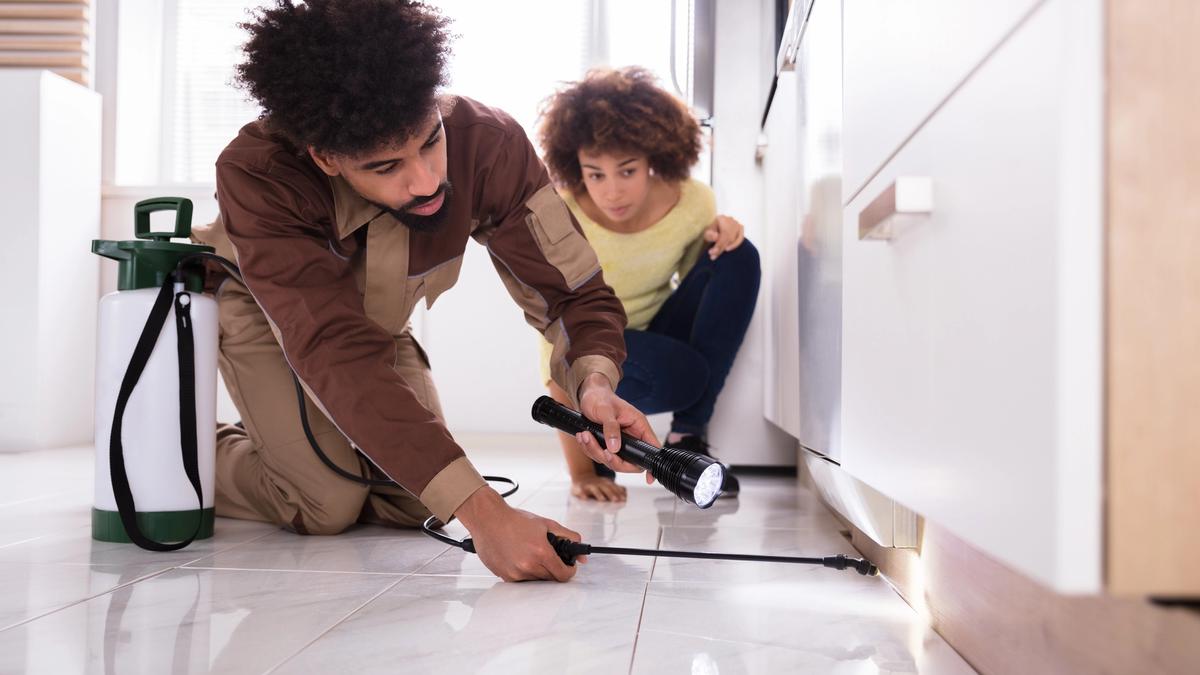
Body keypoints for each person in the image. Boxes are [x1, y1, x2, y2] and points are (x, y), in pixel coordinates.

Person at [191, 0, 657, 583]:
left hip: (377, 327)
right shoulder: (258, 173)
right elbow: (332, 346)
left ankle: (313, 448)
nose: (428, 180)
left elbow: (574, 292)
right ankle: (189, 448)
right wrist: (487, 516)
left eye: (429, 141)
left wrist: (593, 384)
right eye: (386, 167)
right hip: (268, 316)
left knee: (422, 500)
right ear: (327, 158)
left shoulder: (489, 143)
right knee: (327, 504)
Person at [536, 66, 761, 502]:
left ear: (653, 158)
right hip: (592, 352)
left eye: (627, 171)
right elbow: (556, 343)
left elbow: (711, 289)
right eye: (594, 174)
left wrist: (724, 234)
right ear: (574, 166)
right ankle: (608, 445)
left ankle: (687, 441)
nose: (612, 192)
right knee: (686, 370)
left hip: (656, 334)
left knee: (740, 255)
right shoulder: (559, 214)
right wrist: (582, 473)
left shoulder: (693, 200)